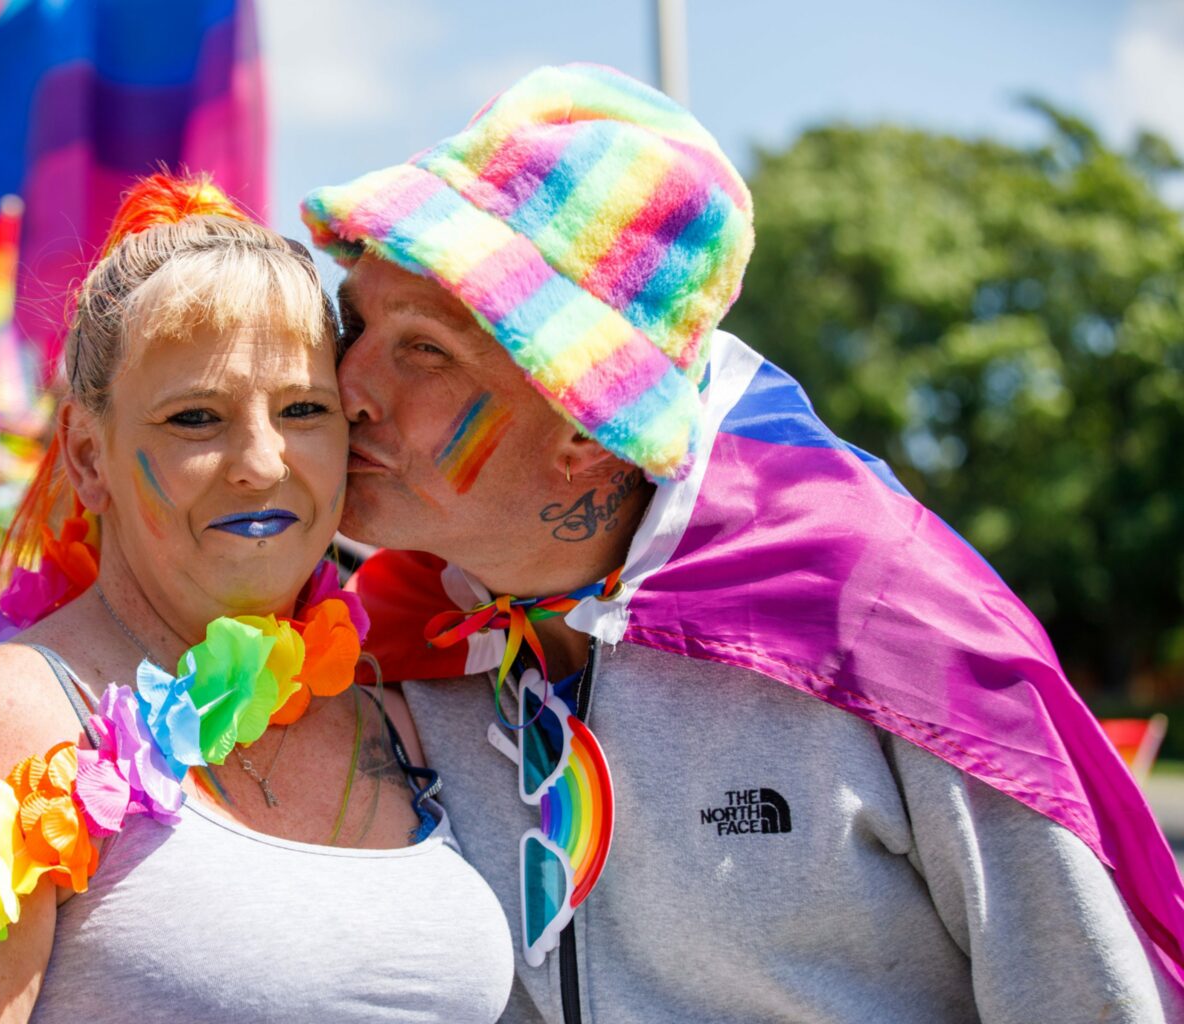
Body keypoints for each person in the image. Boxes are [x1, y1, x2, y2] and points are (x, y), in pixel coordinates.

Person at [301, 63, 1184, 1023]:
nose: (345, 385)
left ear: (590, 423)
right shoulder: (376, 639)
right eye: (356, 322)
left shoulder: (891, 631)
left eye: (425, 348)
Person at [0, 174, 514, 1024]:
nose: (262, 463)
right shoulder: (12, 716)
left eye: (303, 409)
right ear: (87, 456)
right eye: (195, 419)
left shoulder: (401, 713)